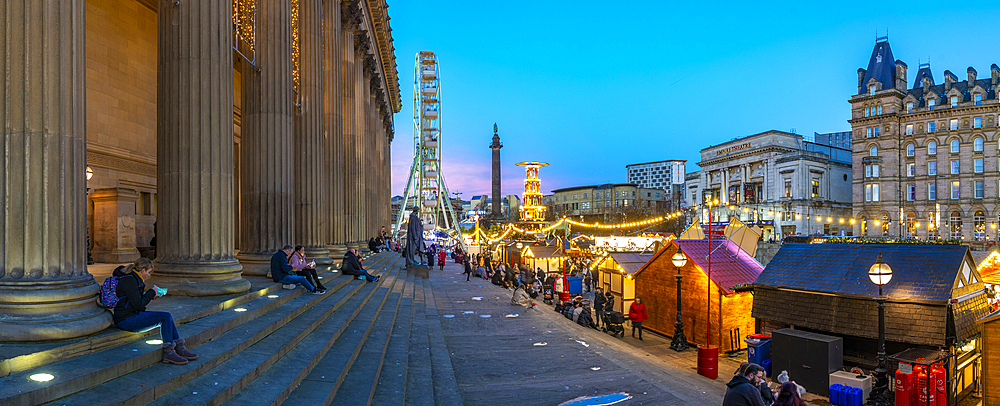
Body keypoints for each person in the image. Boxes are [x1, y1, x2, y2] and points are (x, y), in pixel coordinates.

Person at [112, 258, 198, 365]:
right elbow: (139, 304)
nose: (149, 275)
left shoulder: (134, 279)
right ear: (142, 270)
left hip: (132, 315)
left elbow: (135, 302)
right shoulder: (129, 280)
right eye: (148, 272)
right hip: (126, 320)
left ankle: (179, 348)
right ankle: (169, 352)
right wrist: (151, 292)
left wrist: (151, 296)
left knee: (167, 317)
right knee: (165, 317)